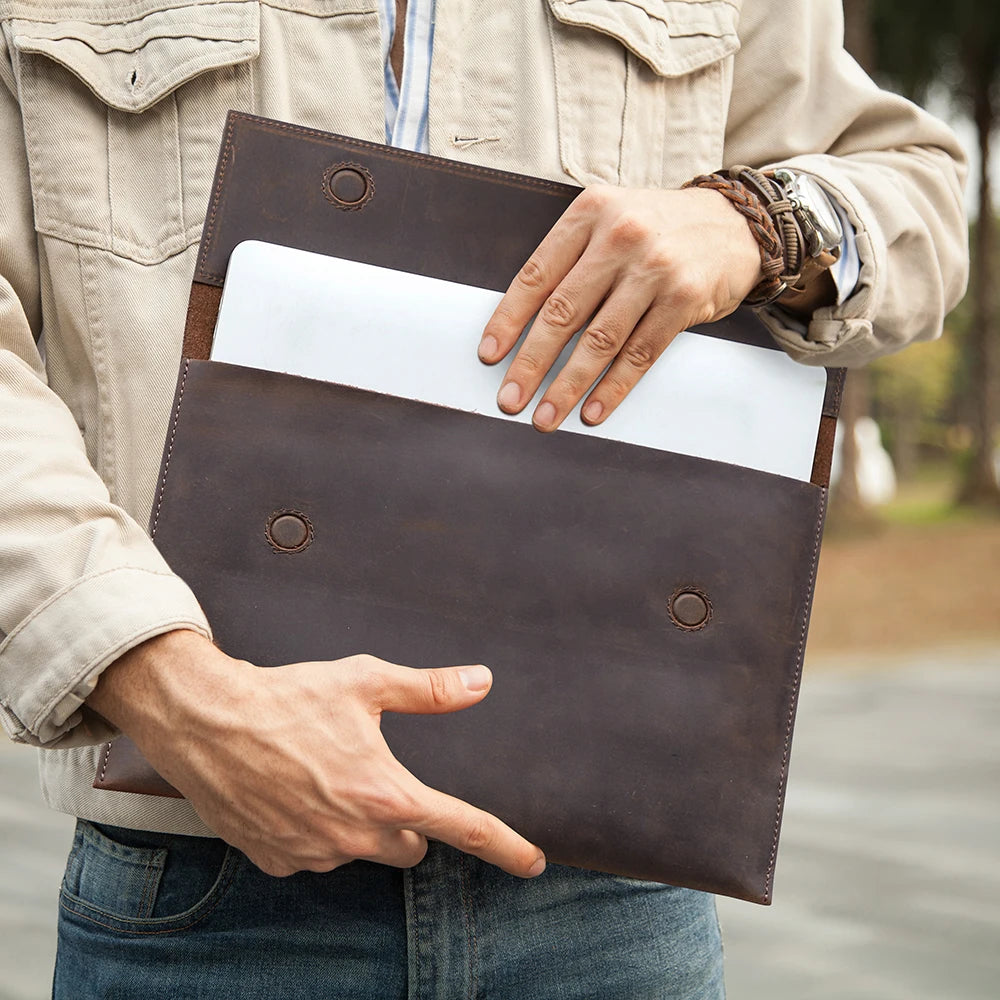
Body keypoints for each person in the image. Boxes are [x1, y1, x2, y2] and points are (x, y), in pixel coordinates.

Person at [0, 1, 966, 997]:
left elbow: (919, 193)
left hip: (611, 909)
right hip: (201, 898)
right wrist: (170, 690)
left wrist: (758, 221)